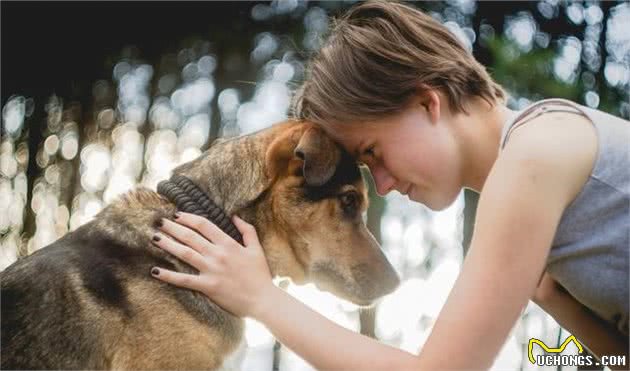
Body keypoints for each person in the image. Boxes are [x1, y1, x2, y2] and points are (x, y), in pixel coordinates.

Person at [149, 2, 629, 369]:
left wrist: (260, 298)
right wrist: (558, 302)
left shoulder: (535, 152)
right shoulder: (543, 171)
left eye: (372, 152)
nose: (380, 185)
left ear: (426, 102)